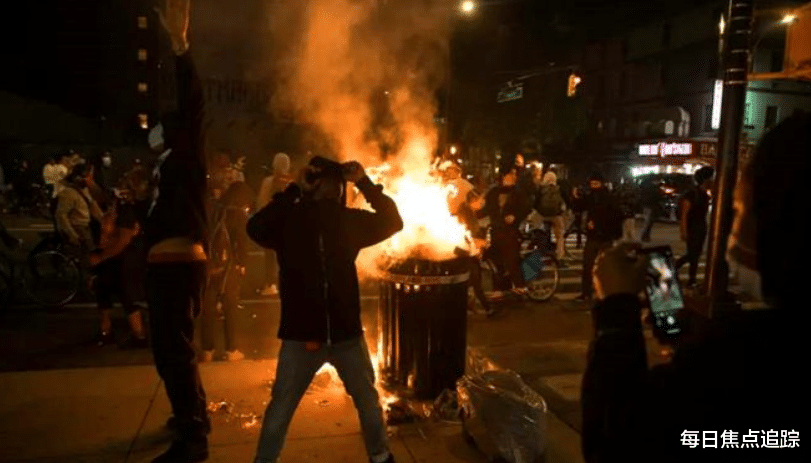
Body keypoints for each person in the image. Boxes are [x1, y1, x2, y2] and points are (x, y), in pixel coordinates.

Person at [580, 112, 808, 463]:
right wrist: (689, 344)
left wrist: (616, 314)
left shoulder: (745, 357)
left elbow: (618, 441)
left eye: (739, 208)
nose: (732, 229)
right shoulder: (740, 351)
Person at [247, 156, 403, 463]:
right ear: (317, 185)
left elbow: (392, 222)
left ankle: (381, 456)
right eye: (330, 182)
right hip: (305, 336)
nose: (334, 189)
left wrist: (363, 182)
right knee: (282, 407)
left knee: (367, 401)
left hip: (342, 335)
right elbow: (255, 227)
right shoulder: (293, 220)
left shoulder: (344, 220)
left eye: (337, 183)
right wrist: (294, 191)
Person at [143, 1, 211, 461]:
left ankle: (193, 437)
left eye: (160, 126)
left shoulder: (185, 158)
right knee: (171, 352)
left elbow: (193, 105)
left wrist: (180, 46)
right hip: (165, 268)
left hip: (179, 265)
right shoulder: (164, 168)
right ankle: (193, 416)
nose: (155, 129)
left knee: (175, 352)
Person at [88, 179, 148, 349]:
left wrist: (101, 257)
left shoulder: (126, 211)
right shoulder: (110, 210)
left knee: (128, 297)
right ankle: (105, 332)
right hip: (111, 260)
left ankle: (139, 335)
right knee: (102, 293)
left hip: (125, 261)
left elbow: (123, 240)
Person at [199, 180, 253, 362]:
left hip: (209, 264)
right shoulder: (238, 213)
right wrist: (242, 263)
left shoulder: (212, 209)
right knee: (230, 306)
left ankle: (207, 349)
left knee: (208, 307)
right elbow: (242, 240)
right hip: (228, 265)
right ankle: (231, 349)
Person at [479, 166, 533, 296]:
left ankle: (520, 286)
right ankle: (499, 289)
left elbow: (527, 207)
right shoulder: (493, 193)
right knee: (496, 262)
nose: (514, 177)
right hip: (496, 230)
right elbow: (485, 210)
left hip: (511, 231)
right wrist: (475, 210)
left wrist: (515, 216)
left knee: (511, 259)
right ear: (503, 176)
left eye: (515, 174)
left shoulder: (518, 192)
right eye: (511, 174)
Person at [573, 173, 622, 303]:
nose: (594, 186)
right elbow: (579, 207)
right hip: (593, 236)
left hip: (605, 237)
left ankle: (607, 293)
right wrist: (576, 197)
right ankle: (586, 293)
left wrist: (598, 223)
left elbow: (615, 217)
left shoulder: (609, 198)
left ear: (602, 184)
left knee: (606, 266)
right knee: (587, 265)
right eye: (592, 184)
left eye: (596, 184)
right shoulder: (590, 196)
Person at [255, 152, 293, 296]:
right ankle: (273, 283)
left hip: (276, 225)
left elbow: (261, 202)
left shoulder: (272, 181)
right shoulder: (291, 182)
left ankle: (272, 284)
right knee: (276, 256)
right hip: (281, 225)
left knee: (273, 256)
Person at [674, 166, 715, 289]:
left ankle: (692, 280)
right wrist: (683, 230)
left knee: (695, 255)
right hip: (693, 229)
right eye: (712, 179)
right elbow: (684, 214)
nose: (714, 181)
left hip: (701, 228)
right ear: (706, 180)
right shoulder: (692, 194)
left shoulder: (705, 195)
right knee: (692, 254)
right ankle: (673, 268)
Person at [55, 163, 103, 262]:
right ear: (78, 177)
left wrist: (105, 221)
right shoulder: (69, 192)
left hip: (87, 228)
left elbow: (94, 208)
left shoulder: (84, 189)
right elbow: (61, 215)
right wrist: (72, 235)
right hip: (79, 229)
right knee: (87, 259)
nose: (90, 180)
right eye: (88, 176)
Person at [534, 170, 567, 261]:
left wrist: (539, 210)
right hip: (556, 216)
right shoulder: (559, 189)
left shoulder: (541, 189)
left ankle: (539, 252)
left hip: (542, 215)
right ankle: (560, 255)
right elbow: (564, 202)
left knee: (538, 230)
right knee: (560, 235)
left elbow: (535, 202)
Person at [638, 176, 660, 242]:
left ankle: (645, 236)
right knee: (648, 222)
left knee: (648, 222)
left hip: (647, 206)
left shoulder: (647, 187)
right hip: (650, 206)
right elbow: (655, 197)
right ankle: (644, 236)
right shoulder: (652, 188)